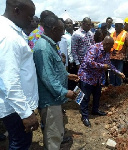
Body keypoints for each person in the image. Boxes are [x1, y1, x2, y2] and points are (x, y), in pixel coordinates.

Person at [33, 15, 79, 150]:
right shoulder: (43, 48)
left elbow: (53, 69)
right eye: (61, 30)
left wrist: (66, 75)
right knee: (52, 135)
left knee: (55, 131)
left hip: (54, 98)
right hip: (49, 100)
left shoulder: (49, 45)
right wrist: (65, 92)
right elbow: (48, 78)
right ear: (54, 29)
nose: (64, 33)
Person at [0, 0, 39, 149]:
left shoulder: (11, 30)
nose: (32, 21)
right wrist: (26, 113)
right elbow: (9, 80)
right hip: (15, 107)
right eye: (29, 16)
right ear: (16, 11)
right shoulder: (9, 37)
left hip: (15, 104)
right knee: (20, 143)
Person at [78, 36, 125, 127]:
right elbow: (88, 62)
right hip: (87, 76)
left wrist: (118, 73)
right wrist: (102, 66)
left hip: (97, 78)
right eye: (111, 46)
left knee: (97, 95)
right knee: (85, 97)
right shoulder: (94, 48)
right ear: (106, 44)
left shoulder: (107, 52)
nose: (112, 48)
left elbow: (109, 64)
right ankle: (85, 116)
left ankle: (95, 110)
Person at [110, 18, 128, 86]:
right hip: (111, 56)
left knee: (119, 72)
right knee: (111, 72)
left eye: (117, 25)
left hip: (120, 57)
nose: (116, 27)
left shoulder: (126, 34)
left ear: (121, 26)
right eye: (115, 25)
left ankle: (118, 85)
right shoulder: (112, 33)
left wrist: (126, 55)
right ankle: (112, 85)